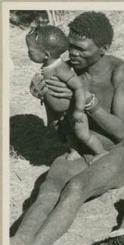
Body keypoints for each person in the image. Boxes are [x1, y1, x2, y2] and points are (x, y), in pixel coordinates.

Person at [10, 11, 124, 245]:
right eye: (71, 46)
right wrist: (46, 99)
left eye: (81, 49)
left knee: (75, 189)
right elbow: (58, 131)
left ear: (103, 49)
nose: (73, 54)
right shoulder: (67, 70)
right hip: (78, 150)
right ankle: (15, 244)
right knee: (48, 188)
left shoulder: (120, 72)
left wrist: (90, 103)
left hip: (113, 153)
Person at [25, 24, 107, 160]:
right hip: (61, 113)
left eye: (30, 50)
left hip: (73, 110)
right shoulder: (47, 66)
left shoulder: (60, 68)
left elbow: (78, 87)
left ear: (46, 54)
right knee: (68, 133)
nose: (28, 53)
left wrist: (79, 110)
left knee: (83, 134)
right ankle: (75, 151)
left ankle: (101, 153)